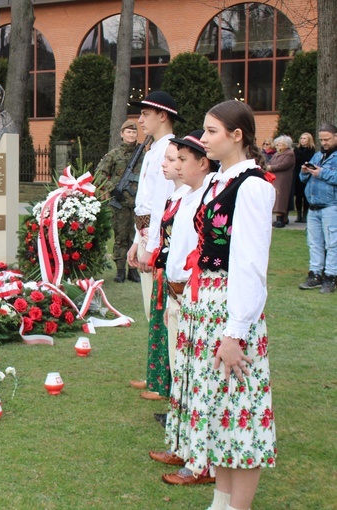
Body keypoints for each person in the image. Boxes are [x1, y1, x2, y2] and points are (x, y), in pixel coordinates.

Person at [166, 100, 276, 509]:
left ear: (237, 136)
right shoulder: (220, 182)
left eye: (211, 131)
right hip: (206, 304)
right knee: (219, 412)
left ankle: (238, 507)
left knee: (241, 413)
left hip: (230, 308)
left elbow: (249, 264)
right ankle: (221, 502)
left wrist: (237, 331)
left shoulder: (253, 186)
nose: (203, 138)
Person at [149, 130, 217, 484]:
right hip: (178, 292)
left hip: (196, 293)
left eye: (182, 160)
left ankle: (199, 458)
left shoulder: (209, 194)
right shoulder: (187, 196)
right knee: (183, 376)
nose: (174, 165)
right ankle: (182, 443)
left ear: (201, 164)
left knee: (194, 378)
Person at [125, 91, 184, 391]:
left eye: (145, 113)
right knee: (154, 313)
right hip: (148, 238)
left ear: (162, 115)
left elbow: (163, 204)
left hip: (160, 243)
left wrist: (151, 246)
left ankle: (166, 380)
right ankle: (157, 374)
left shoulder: (168, 151)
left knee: (161, 312)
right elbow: (143, 204)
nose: (140, 119)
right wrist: (138, 239)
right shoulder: (152, 150)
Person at [141, 141, 187, 401]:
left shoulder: (188, 198)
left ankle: (171, 391)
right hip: (167, 269)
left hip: (177, 276)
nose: (165, 164)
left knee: (176, 336)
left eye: (173, 159)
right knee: (163, 328)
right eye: (168, 158)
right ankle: (163, 385)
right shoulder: (176, 196)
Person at [95, 120, 143, 283]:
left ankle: (133, 270)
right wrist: (112, 188)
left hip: (138, 204)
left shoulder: (143, 155)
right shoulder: (113, 155)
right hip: (120, 203)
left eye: (134, 132)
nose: (131, 135)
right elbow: (99, 175)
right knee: (121, 238)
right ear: (122, 134)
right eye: (128, 132)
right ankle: (121, 270)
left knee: (136, 237)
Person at [298, 123, 337, 294]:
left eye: (327, 139)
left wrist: (321, 173)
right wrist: (305, 171)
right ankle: (315, 274)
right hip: (313, 206)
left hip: (331, 206)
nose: (324, 142)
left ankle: (331, 276)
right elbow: (302, 179)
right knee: (314, 243)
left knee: (332, 243)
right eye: (321, 139)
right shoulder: (316, 156)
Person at [267, 135, 295, 228]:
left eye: (280, 143)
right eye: (277, 143)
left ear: (286, 144)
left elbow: (284, 165)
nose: (278, 144)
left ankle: (281, 219)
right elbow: (270, 162)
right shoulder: (276, 154)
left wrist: (270, 167)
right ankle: (281, 219)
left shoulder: (289, 153)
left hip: (283, 178)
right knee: (276, 197)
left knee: (281, 198)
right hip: (275, 177)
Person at [293, 132, 316, 223]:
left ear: (309, 140)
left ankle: (305, 214)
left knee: (305, 195)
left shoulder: (312, 150)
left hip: (308, 174)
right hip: (298, 173)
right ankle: (298, 215)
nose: (302, 140)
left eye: (305, 138)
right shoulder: (296, 150)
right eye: (301, 138)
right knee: (298, 196)